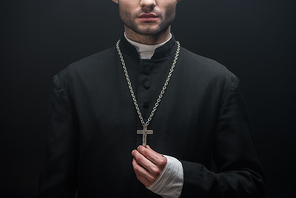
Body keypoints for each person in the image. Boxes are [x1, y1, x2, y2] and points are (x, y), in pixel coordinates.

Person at [38, 0, 265, 197]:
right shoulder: (72, 82)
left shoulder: (219, 82)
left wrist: (184, 180)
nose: (147, 2)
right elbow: (54, 190)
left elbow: (250, 185)